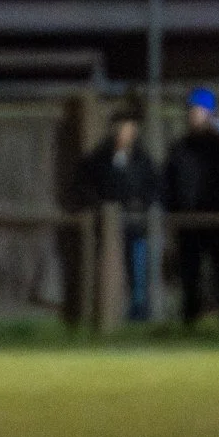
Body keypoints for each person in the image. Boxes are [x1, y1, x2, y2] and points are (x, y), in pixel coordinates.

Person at [163, 87, 219, 326]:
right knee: (190, 274)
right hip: (188, 221)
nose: (193, 115)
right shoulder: (179, 149)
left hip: (218, 219)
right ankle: (191, 321)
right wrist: (173, 212)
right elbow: (169, 183)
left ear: (210, 114)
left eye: (198, 111)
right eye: (191, 110)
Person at [76, 111, 160, 321]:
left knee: (138, 272)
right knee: (105, 272)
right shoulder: (100, 159)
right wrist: (101, 207)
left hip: (136, 225)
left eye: (129, 128)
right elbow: (85, 186)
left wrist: (140, 205)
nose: (124, 133)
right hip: (106, 228)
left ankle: (138, 314)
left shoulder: (143, 160)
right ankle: (102, 316)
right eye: (121, 128)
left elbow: (154, 188)